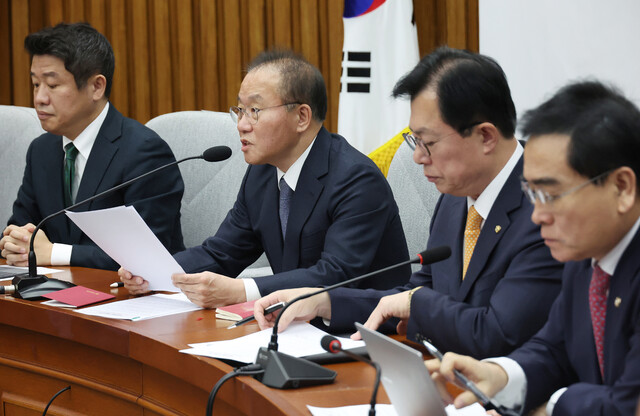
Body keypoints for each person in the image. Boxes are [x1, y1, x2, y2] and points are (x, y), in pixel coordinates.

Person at [255, 47, 564, 358]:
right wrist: (326, 302)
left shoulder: (546, 209)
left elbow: (499, 334)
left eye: (427, 142)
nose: (417, 158)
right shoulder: (456, 199)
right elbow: (416, 293)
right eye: (414, 141)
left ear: (485, 136)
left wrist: (417, 306)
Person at [119, 50, 411, 308]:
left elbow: (334, 275)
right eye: (240, 110)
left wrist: (242, 290)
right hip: (288, 323)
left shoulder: (355, 179)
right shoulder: (262, 172)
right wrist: (154, 271)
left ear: (302, 117)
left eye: (255, 111)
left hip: (360, 330)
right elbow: (222, 253)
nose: (242, 125)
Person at [430, 81, 640, 415]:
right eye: (532, 194)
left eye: (551, 195)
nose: (538, 215)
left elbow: (630, 405)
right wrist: (499, 375)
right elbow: (555, 348)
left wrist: (553, 405)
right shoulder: (585, 257)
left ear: (622, 187)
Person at [0, 22, 184, 270]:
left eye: (52, 85)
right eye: (35, 84)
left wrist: (54, 253)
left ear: (96, 86)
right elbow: (23, 228)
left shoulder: (144, 152)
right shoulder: (41, 150)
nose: (39, 98)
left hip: (132, 298)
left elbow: (148, 254)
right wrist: (14, 243)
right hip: (54, 294)